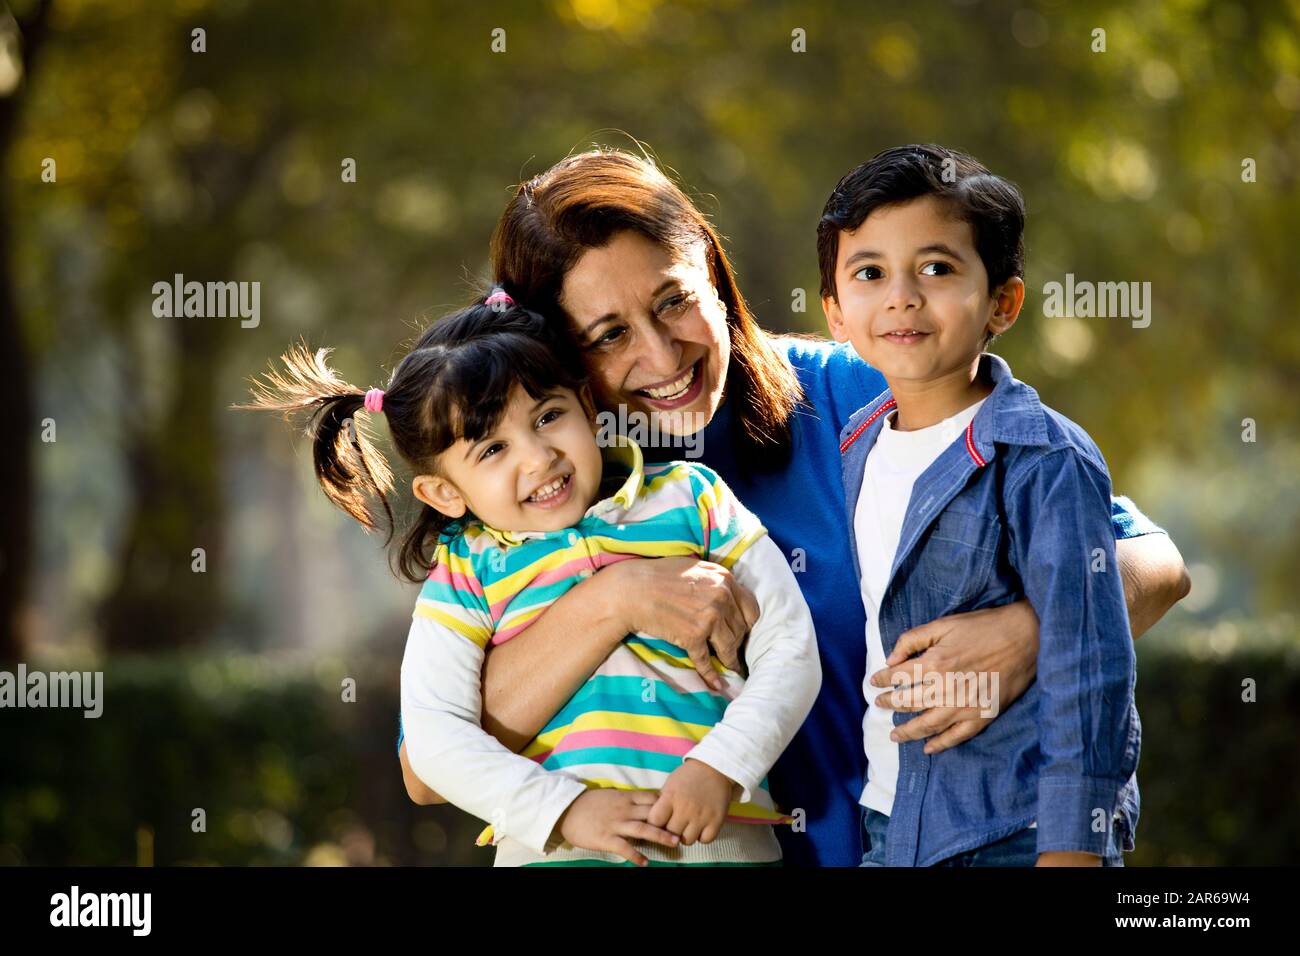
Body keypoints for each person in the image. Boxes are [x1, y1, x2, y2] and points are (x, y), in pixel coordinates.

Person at [400, 147, 1191, 867]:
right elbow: (429, 768)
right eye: (609, 335)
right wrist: (620, 598)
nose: (663, 355)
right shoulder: (535, 504)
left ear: (712, 266)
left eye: (674, 301)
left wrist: (1032, 630)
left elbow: (1155, 562)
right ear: (558, 361)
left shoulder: (863, 390)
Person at [245, 293, 821, 866]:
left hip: (718, 841)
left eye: (548, 417)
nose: (538, 458)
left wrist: (722, 764)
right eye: (493, 448)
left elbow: (790, 645)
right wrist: (563, 811)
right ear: (444, 492)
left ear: (589, 406)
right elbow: (434, 738)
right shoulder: (466, 570)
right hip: (553, 850)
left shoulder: (693, 499)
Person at [821, 143, 1139, 866]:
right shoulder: (854, 446)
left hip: (1015, 831)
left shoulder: (1041, 457)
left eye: (937, 268)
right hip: (892, 821)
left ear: (1004, 302)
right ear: (836, 314)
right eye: (870, 273)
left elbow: (1090, 665)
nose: (902, 295)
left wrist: (1073, 849)